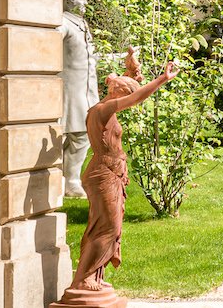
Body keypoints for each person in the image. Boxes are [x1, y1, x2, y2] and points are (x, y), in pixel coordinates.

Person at [53, 48, 178, 307]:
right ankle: (83, 280)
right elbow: (134, 98)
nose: (128, 97)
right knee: (107, 228)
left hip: (109, 172)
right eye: (126, 92)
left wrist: (132, 66)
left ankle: (92, 277)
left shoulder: (104, 106)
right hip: (103, 174)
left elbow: (128, 87)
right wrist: (161, 79)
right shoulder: (104, 110)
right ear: (119, 94)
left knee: (104, 226)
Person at [59, 0, 98, 197]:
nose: (84, 3)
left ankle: (67, 178)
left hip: (86, 88)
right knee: (76, 134)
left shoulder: (80, 23)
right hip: (71, 90)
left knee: (82, 134)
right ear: (66, 1)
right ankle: (70, 181)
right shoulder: (63, 23)